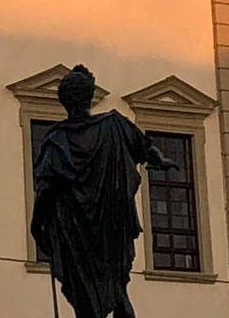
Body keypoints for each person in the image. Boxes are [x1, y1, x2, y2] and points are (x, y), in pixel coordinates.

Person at [30, 64, 168, 318]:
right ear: (90, 97)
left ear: (63, 102)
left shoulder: (56, 140)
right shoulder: (115, 125)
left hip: (75, 233)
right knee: (117, 291)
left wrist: (37, 228)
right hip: (112, 228)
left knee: (86, 302)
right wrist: (160, 161)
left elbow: (45, 191)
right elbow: (147, 148)